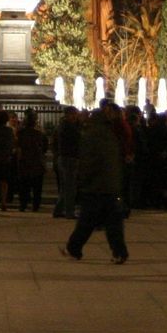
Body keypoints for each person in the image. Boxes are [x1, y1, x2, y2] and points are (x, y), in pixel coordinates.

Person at [60, 100, 129, 264]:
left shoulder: (90, 136)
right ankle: (120, 252)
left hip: (96, 186)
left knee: (86, 221)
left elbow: (89, 161)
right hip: (110, 185)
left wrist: (83, 179)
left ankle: (74, 248)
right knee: (113, 223)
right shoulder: (109, 135)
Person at [53, 106, 82, 218]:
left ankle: (58, 210)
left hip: (65, 157)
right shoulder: (68, 127)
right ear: (68, 115)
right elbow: (77, 139)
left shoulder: (63, 126)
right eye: (74, 114)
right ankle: (69, 211)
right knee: (70, 187)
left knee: (66, 187)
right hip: (69, 158)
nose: (76, 117)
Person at [17, 110, 48, 212]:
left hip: (24, 162)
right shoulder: (40, 134)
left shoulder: (20, 133)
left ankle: (23, 204)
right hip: (36, 162)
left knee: (24, 185)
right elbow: (44, 148)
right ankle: (35, 205)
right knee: (37, 186)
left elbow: (17, 146)